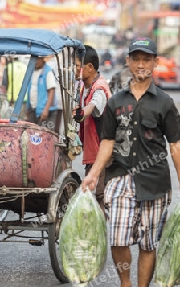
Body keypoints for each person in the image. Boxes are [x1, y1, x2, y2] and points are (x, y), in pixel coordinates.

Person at [81, 37, 180, 287]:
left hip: (155, 182)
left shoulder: (165, 102)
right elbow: (107, 142)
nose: (141, 64)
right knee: (118, 239)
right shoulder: (115, 102)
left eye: (147, 59)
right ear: (129, 62)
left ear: (154, 63)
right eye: (137, 59)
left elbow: (176, 143)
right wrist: (94, 173)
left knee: (148, 242)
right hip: (120, 178)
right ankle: (125, 284)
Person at [72, 45, 112, 208]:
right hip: (92, 152)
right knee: (91, 195)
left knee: (99, 196)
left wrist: (82, 113)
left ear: (89, 67)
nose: (74, 70)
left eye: (76, 66)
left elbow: (95, 105)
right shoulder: (84, 87)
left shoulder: (99, 87)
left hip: (101, 154)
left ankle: (100, 232)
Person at [27, 57, 57, 129]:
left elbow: (51, 91)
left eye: (38, 59)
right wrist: (28, 108)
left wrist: (46, 109)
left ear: (42, 59)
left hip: (46, 112)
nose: (35, 61)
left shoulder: (48, 71)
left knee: (45, 135)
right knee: (32, 134)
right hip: (33, 110)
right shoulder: (32, 72)